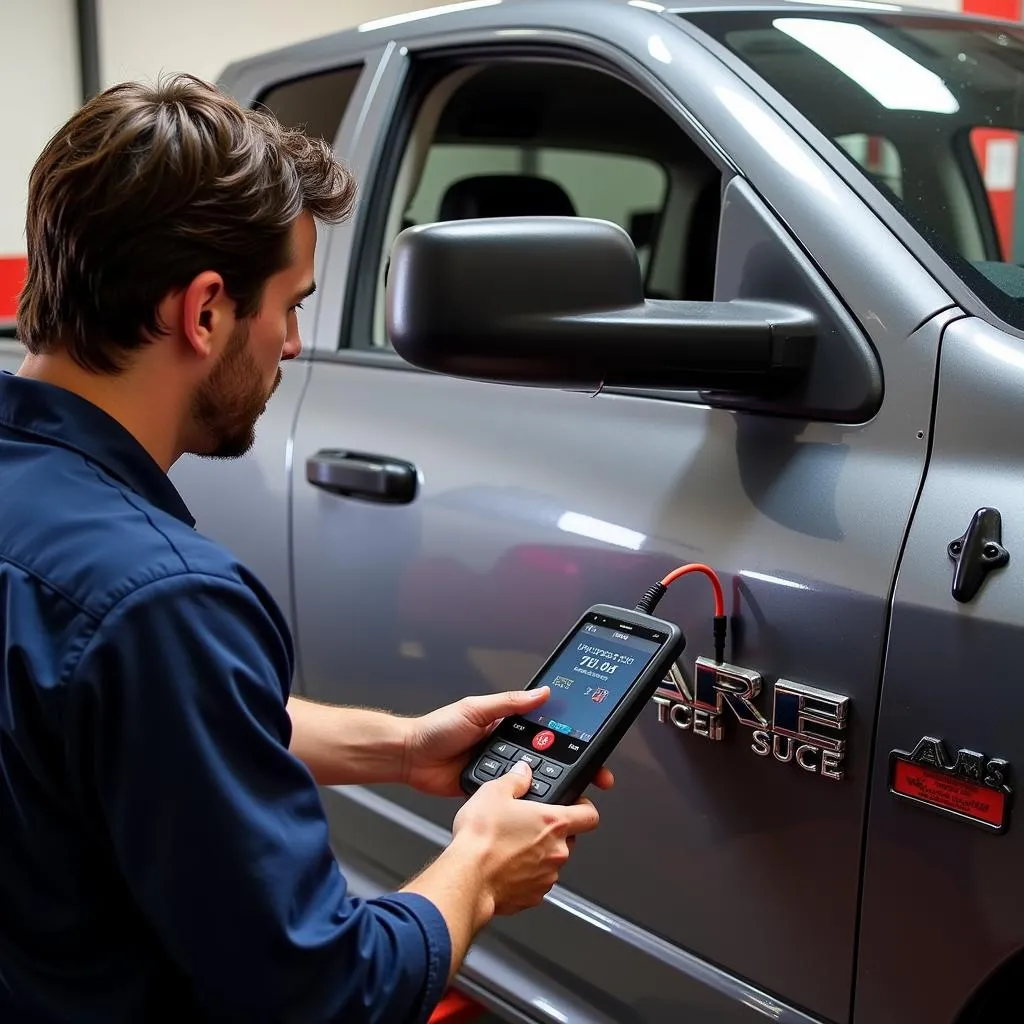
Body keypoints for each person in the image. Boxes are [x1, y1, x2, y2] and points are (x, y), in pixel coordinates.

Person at [0, 74, 611, 1023]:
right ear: (204, 312)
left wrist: (404, 748)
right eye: (290, 305)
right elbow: (326, 993)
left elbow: (128, 724)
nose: (290, 344)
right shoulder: (160, 601)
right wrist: (480, 866)